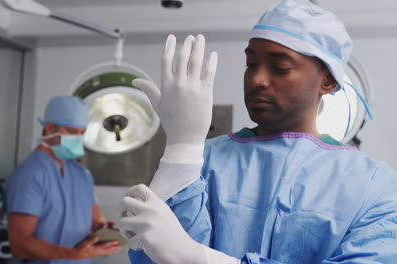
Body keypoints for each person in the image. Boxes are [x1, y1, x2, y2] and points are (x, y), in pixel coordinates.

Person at [117, 0, 397, 263]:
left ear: (328, 81)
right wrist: (181, 149)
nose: (257, 79)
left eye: (280, 67)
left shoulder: (375, 186)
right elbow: (149, 255)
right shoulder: (202, 158)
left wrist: (198, 257)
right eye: (251, 64)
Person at [7, 96, 121, 264]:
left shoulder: (82, 174)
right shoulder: (30, 175)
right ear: (49, 127)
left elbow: (95, 220)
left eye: (81, 133)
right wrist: (71, 254)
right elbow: (20, 244)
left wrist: (102, 231)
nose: (77, 138)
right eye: (72, 131)